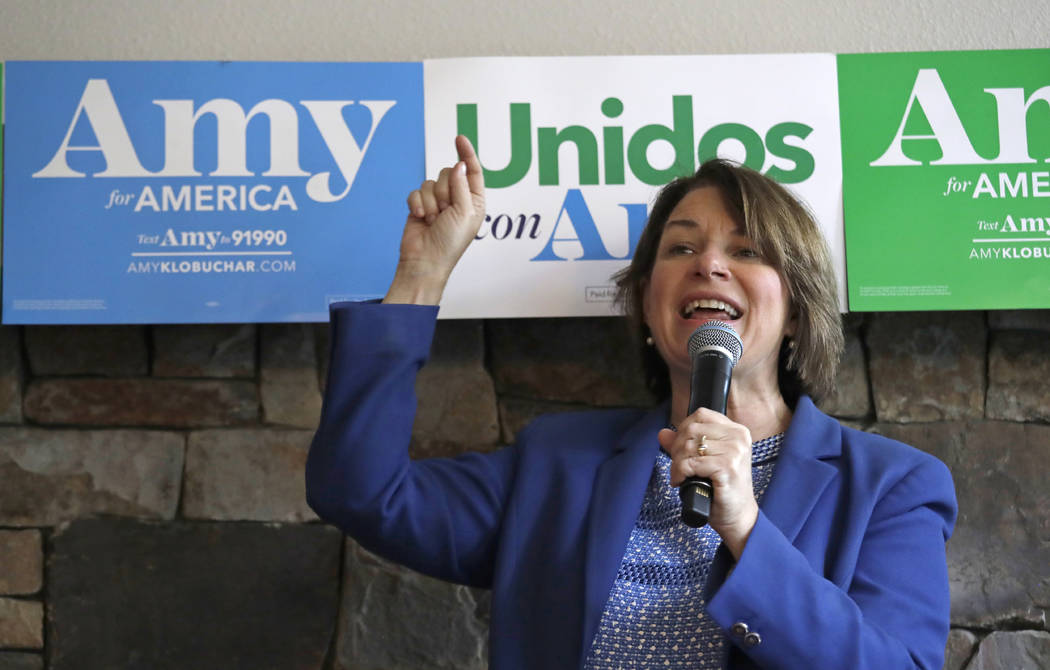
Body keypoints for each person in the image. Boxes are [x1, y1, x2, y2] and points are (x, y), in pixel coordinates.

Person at [307, 136, 957, 669]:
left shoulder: (891, 487)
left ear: (795, 312)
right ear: (648, 305)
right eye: (681, 246)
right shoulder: (556, 461)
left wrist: (746, 529)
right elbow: (361, 492)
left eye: (747, 250)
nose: (709, 264)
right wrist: (420, 275)